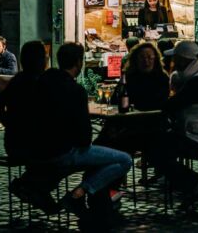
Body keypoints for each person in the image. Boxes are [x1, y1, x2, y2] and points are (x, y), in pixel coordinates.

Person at [27, 43, 132, 229]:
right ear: (78, 62)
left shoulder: (42, 82)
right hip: (64, 152)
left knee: (110, 159)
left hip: (37, 149)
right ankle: (78, 194)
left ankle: (86, 195)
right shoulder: (75, 91)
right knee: (124, 160)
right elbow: (84, 138)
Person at [148, 40, 198, 212]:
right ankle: (186, 184)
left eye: (175, 58)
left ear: (183, 59)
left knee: (155, 150)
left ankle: (193, 182)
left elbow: (172, 105)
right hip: (196, 134)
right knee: (156, 145)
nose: (173, 62)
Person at [0, 41, 59, 212]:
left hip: (14, 143)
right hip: (34, 145)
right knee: (63, 157)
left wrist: (11, 125)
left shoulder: (18, 80)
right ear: (42, 60)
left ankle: (35, 189)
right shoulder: (41, 82)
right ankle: (31, 187)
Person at [124, 43, 169, 111]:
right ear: (135, 59)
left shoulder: (162, 77)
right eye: (142, 58)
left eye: (150, 58)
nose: (146, 61)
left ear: (155, 59)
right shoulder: (128, 77)